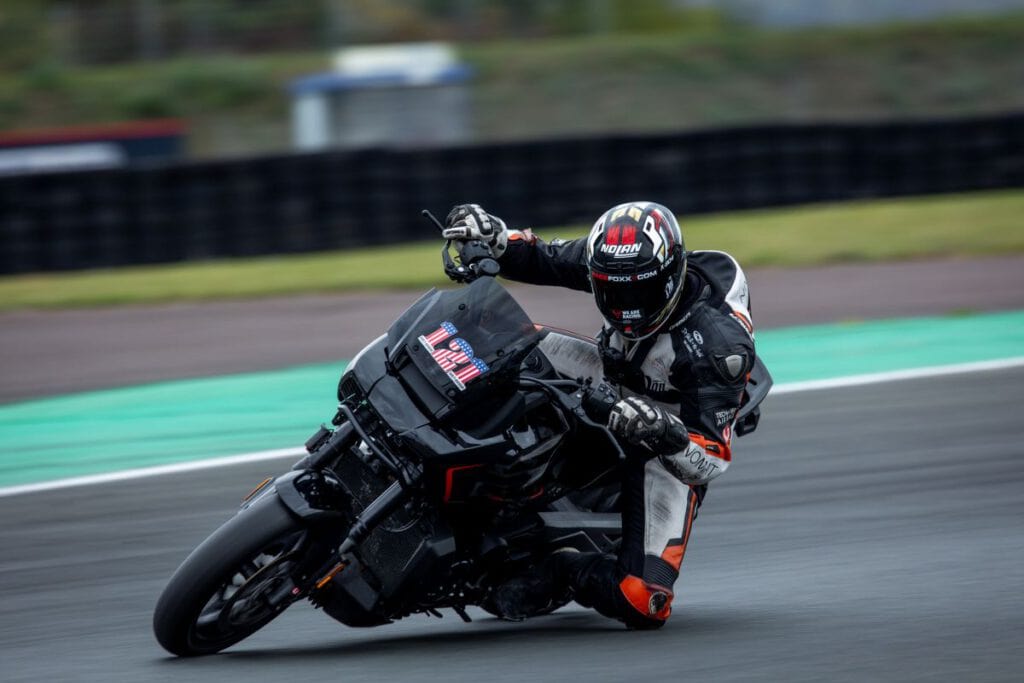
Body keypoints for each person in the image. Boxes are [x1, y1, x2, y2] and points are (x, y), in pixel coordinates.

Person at [441, 202, 758, 630]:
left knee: (642, 599)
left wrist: (664, 431)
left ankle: (563, 570)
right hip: (615, 374)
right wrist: (494, 237)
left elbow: (713, 460)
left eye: (639, 293)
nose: (626, 306)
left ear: (670, 277)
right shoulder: (614, 261)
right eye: (612, 291)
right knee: (503, 343)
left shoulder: (716, 348)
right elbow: (541, 257)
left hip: (670, 437)